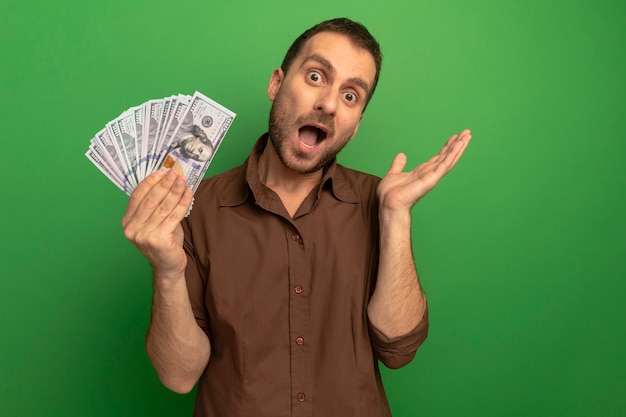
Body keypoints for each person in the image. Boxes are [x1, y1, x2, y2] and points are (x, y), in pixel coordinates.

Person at [122, 17, 471, 417]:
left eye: (351, 96)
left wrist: (396, 216)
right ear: (276, 83)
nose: (327, 103)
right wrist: (167, 272)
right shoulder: (193, 207)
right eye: (316, 76)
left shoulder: (379, 201)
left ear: (355, 127)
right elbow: (179, 376)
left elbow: (398, 348)